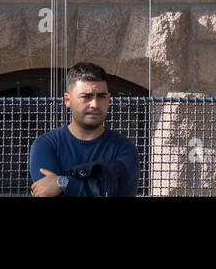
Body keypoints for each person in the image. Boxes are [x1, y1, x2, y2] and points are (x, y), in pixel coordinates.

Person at [30, 62, 140, 197]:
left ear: (109, 99)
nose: (94, 104)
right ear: (67, 100)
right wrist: (100, 188)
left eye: (101, 96)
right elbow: (46, 193)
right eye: (86, 97)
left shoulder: (124, 148)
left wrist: (63, 183)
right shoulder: (46, 146)